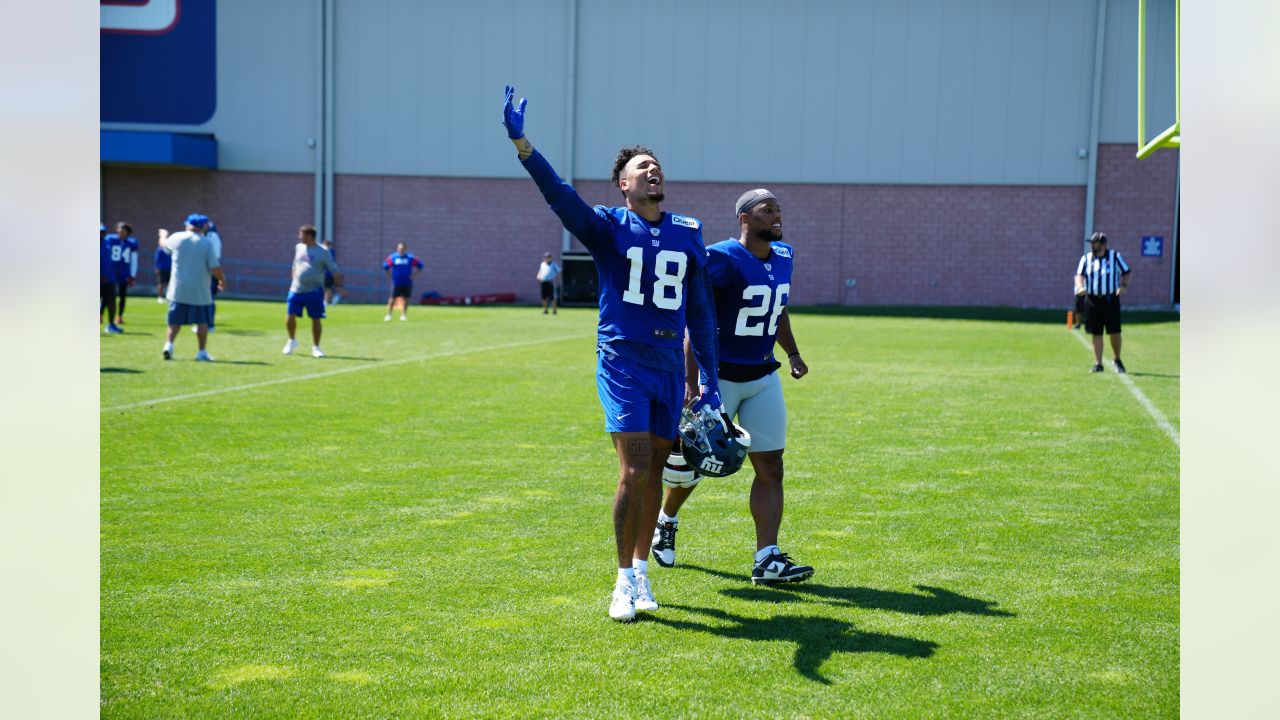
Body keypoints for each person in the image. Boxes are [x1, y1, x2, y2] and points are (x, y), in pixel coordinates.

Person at [503, 84, 723, 622]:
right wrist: (522, 143)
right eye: (643, 168)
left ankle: (642, 571)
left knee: (653, 474)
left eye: (658, 166)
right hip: (623, 358)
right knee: (635, 469)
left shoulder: (689, 233)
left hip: (671, 365)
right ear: (624, 185)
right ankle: (622, 581)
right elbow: (560, 196)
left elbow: (701, 311)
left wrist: (710, 379)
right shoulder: (607, 226)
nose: (654, 171)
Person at [650, 189, 815, 586]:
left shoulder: (785, 256)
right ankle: (666, 521)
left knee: (771, 465)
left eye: (778, 210)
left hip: (761, 375)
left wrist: (792, 352)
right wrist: (692, 381)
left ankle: (767, 559)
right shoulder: (721, 257)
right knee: (696, 466)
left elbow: (777, 308)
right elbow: (696, 317)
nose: (777, 216)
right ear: (744, 218)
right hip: (719, 377)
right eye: (767, 210)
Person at [160, 213, 225, 361]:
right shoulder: (206, 243)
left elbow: (164, 246)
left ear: (189, 225)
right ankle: (201, 352)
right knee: (202, 322)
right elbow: (215, 267)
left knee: (174, 321)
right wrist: (222, 280)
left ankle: (168, 345)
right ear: (202, 227)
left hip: (178, 289)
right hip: (200, 290)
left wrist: (163, 235)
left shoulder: (177, 237)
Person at [1074, 231, 1131, 373]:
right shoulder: (1086, 259)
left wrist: (1123, 286)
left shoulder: (1114, 256)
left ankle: (1117, 359)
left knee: (1115, 332)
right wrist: (1080, 286)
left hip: (1110, 299)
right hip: (1092, 300)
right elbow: (1079, 275)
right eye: (1091, 243)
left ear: (1103, 244)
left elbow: (1126, 271)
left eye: (1095, 243)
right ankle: (1098, 363)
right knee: (1096, 332)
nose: (1092, 245)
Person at [283, 225, 342, 358]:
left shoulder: (323, 252)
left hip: (314, 291)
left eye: (301, 234)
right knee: (290, 315)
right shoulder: (299, 247)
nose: (299, 237)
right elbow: (294, 266)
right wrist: (293, 281)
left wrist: (339, 285)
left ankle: (316, 347)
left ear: (309, 236)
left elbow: (334, 270)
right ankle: (291, 340)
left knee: (316, 319)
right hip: (296, 290)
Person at [383, 243, 423, 321]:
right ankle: (389, 315)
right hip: (396, 282)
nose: (401, 249)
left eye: (402, 248)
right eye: (399, 248)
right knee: (392, 298)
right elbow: (386, 266)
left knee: (406, 298)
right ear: (397, 248)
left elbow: (420, 265)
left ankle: (403, 315)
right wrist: (389, 275)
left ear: (405, 248)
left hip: (407, 282)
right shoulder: (393, 257)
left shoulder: (410, 258)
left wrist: (414, 275)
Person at [108, 222, 139, 326]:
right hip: (111, 271)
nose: (119, 232)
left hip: (123, 272)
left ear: (127, 232)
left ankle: (119, 316)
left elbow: (134, 260)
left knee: (122, 295)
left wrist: (132, 275)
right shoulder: (110, 239)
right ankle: (100, 315)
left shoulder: (132, 243)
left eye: (122, 230)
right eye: (118, 230)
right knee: (107, 294)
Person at [100, 224, 120, 333]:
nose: (100, 234)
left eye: (102, 232)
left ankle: (111, 325)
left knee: (112, 302)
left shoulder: (108, 242)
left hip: (109, 279)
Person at [321, 239, 342, 305]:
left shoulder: (326, 251)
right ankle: (333, 299)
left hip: (328, 273)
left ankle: (327, 302)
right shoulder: (332, 251)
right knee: (329, 288)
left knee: (327, 288)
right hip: (333, 273)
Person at [154, 228, 172, 303]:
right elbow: (157, 259)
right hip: (162, 268)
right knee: (161, 283)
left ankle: (169, 297)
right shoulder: (160, 249)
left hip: (170, 268)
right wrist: (157, 268)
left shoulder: (170, 248)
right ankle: (160, 297)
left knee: (170, 284)